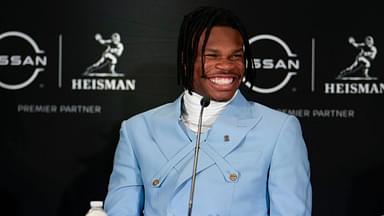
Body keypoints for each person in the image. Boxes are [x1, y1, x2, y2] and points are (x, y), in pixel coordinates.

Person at [104, 6, 311, 216]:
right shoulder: (137, 130)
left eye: (236, 56)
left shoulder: (277, 129)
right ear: (186, 62)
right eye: (212, 56)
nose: (226, 66)